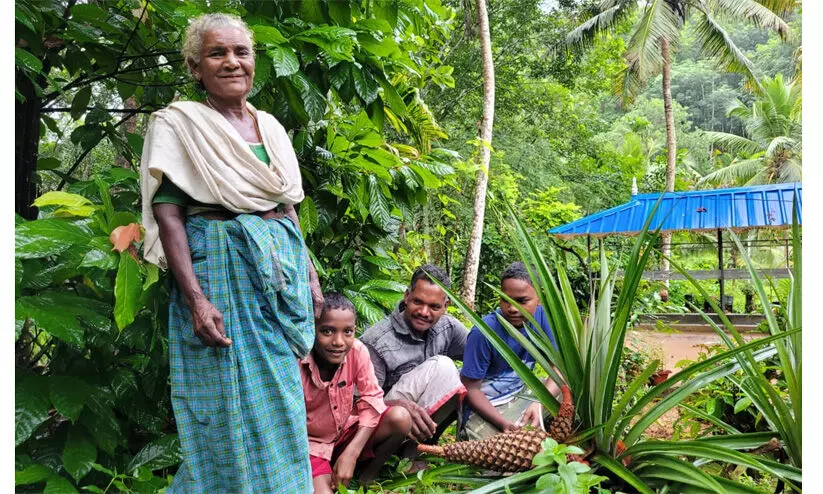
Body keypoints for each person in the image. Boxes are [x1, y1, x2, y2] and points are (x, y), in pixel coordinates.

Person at [140, 13, 322, 493]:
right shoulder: (180, 125)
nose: (232, 62)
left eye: (241, 52)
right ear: (196, 68)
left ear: (254, 61)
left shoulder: (272, 129)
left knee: (281, 399)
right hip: (217, 275)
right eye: (217, 53)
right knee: (224, 405)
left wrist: (310, 277)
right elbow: (168, 214)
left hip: (276, 281)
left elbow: (287, 207)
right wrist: (196, 298)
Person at [301, 293, 412, 494]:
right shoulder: (298, 361)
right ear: (312, 329)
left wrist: (351, 453)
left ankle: (367, 477)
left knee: (400, 418)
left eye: (348, 332)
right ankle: (325, 471)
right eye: (327, 331)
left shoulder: (357, 351)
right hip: (311, 445)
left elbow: (372, 397)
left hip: (343, 432)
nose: (338, 341)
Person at [360, 265, 467, 446]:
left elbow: (484, 357)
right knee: (443, 366)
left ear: (445, 306)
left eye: (434, 306)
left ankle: (426, 448)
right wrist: (399, 405)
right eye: (418, 302)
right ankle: (396, 455)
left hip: (419, 423)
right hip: (381, 424)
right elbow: (360, 404)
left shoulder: (448, 328)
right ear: (407, 296)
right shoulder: (377, 341)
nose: (424, 312)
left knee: (470, 378)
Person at [460, 262, 561, 441]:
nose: (513, 308)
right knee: (499, 460)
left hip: (519, 396)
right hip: (488, 407)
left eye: (522, 301)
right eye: (506, 299)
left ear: (539, 298)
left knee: (570, 395)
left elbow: (558, 369)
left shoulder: (542, 318)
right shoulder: (483, 332)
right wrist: (503, 424)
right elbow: (471, 390)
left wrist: (540, 404)